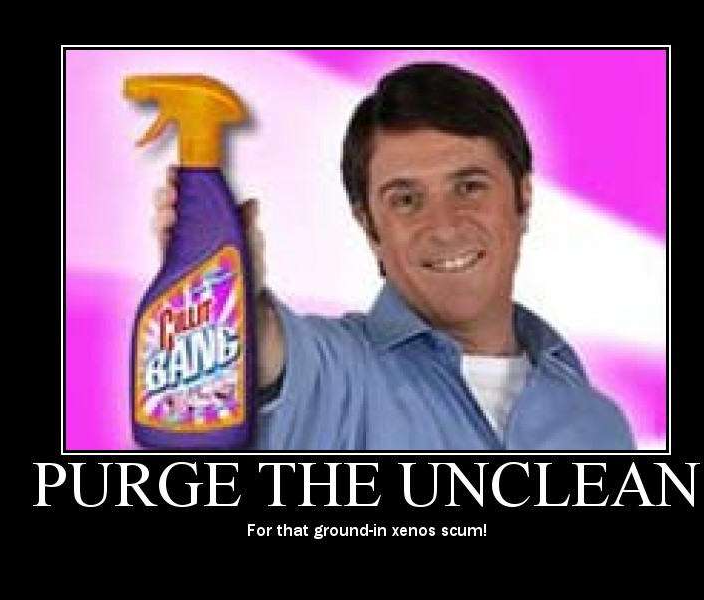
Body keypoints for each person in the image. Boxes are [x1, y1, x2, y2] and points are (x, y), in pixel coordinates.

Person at [153, 62, 635, 451]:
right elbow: (269, 356)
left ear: (523, 197)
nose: (444, 227)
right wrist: (232, 297)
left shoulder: (598, 425)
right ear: (371, 228)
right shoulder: (339, 376)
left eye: (469, 187)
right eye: (406, 200)